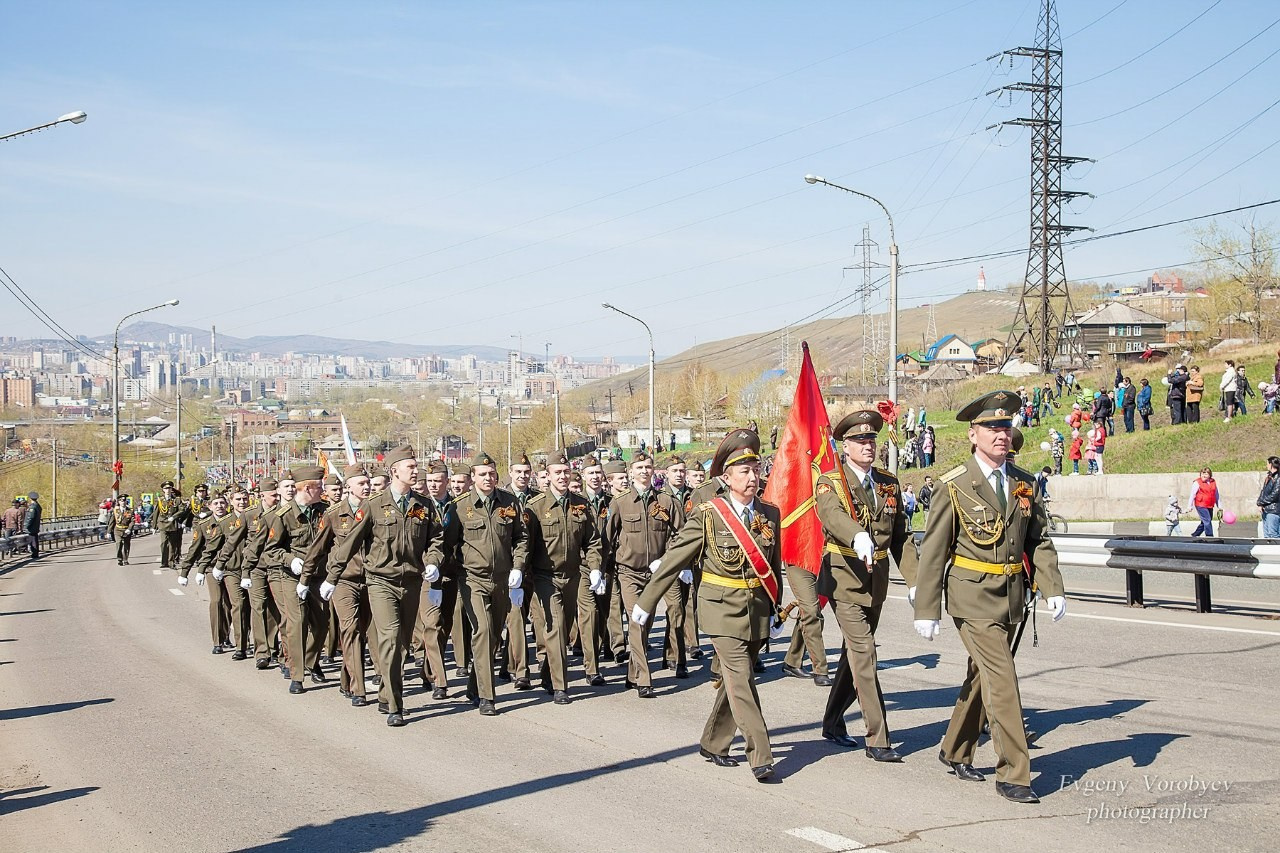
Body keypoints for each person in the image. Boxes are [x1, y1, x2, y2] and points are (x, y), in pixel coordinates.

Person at [913, 390, 1067, 804]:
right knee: (1002, 680)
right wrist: (926, 608)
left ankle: (955, 748)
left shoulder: (1024, 483)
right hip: (972, 597)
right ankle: (1015, 773)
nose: (1002, 433)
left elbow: (1039, 540)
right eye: (993, 427)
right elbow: (934, 551)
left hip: (1012, 595)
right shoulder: (954, 485)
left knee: (982, 676)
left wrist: (1052, 587)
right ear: (973, 434)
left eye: (1006, 426)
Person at [634, 429, 787, 782]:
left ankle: (714, 743)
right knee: (743, 679)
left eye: (755, 470)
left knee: (736, 682)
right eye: (744, 472)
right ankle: (760, 755)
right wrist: (647, 601)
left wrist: (777, 608)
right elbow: (674, 559)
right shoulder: (709, 515)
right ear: (726, 477)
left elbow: (772, 566)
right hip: (720, 610)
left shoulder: (770, 513)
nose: (752, 477)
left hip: (756, 609)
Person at [817, 409, 916, 763]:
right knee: (865, 653)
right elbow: (831, 514)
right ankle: (878, 737)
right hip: (845, 575)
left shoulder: (888, 483)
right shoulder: (831, 481)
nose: (868, 446)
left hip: (877, 580)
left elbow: (902, 537)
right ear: (845, 446)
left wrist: (916, 581)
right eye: (860, 440)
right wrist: (857, 534)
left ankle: (831, 721)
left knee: (854, 655)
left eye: (871, 439)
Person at [327, 447, 446, 726]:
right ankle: (396, 704)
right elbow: (350, 544)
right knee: (390, 638)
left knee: (402, 644)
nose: (416, 471)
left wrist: (433, 560)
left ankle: (384, 692)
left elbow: (436, 539)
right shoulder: (373, 504)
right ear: (394, 471)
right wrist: (332, 578)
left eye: (416, 467)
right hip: (381, 581)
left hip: (413, 582)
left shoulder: (424, 505)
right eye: (410, 467)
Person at [445, 451, 529, 715]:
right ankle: (486, 696)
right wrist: (450, 575)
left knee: (492, 637)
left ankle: (474, 685)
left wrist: (518, 566)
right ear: (472, 478)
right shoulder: (459, 507)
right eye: (482, 474)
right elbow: (447, 544)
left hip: (503, 580)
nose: (488, 478)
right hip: (473, 580)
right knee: (481, 631)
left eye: (492, 473)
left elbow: (521, 538)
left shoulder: (510, 502)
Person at [523, 453, 605, 705]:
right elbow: (525, 544)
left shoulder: (580, 504)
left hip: (572, 576)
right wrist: (520, 576)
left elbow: (593, 541)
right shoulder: (535, 507)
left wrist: (594, 568)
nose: (562, 476)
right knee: (556, 627)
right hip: (544, 576)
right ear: (547, 475)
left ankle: (548, 675)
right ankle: (561, 686)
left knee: (563, 627)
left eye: (565, 472)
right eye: (557, 472)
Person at [606, 451, 686, 697]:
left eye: (648, 467)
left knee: (646, 623)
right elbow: (608, 538)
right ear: (631, 472)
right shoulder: (619, 502)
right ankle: (644, 679)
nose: (643, 471)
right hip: (629, 572)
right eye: (639, 467)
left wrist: (665, 559)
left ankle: (632, 674)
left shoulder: (666, 501)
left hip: (657, 574)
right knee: (637, 621)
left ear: (654, 471)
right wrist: (604, 572)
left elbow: (679, 535)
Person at [301, 463, 373, 706]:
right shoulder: (333, 514)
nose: (367, 486)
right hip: (343, 580)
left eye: (368, 482)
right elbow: (317, 548)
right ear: (348, 487)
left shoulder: (375, 510)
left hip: (372, 580)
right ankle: (358, 689)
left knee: (365, 633)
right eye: (361, 483)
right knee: (350, 630)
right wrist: (305, 579)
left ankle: (346, 678)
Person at [150, 480, 188, 569]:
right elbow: (156, 513)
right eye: (166, 488)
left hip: (172, 524)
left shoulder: (177, 500)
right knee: (164, 543)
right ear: (163, 490)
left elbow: (181, 510)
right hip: (163, 523)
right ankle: (164, 562)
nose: (168, 490)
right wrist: (154, 526)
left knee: (172, 544)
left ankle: (171, 562)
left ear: (171, 489)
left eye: (169, 488)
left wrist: (174, 517)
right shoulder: (160, 500)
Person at [1189, 467, 1221, 538]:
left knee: (1205, 522)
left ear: (1210, 475)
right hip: (1200, 504)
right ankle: (1209, 536)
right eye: (1202, 474)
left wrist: (1219, 505)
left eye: (1206, 474)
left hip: (1209, 504)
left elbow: (1216, 494)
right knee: (1207, 520)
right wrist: (1190, 506)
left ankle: (1195, 534)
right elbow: (1192, 494)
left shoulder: (1213, 482)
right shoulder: (1197, 482)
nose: (1203, 476)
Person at [1258, 456, 1280, 539]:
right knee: (1267, 536)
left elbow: (1275, 494)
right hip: (1266, 509)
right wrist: (1260, 502)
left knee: (1273, 535)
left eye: (1267, 463)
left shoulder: (1278, 478)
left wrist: (1262, 502)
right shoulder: (1269, 477)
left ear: (1271, 464)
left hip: (1274, 510)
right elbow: (1263, 491)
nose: (1266, 465)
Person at [113, 496, 135, 564]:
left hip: (126, 530)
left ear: (126, 501)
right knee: (118, 543)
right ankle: (119, 559)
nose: (123, 502)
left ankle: (125, 559)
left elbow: (132, 521)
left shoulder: (130, 510)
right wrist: (108, 531)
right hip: (118, 530)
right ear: (119, 502)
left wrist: (129, 529)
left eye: (124, 500)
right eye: (121, 501)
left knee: (126, 545)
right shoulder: (115, 510)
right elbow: (112, 521)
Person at [23, 493, 42, 559]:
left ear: (30, 498)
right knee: (34, 540)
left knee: (33, 540)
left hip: (32, 527)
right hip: (36, 526)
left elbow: (30, 517)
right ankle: (35, 553)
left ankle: (34, 553)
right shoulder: (38, 506)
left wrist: (26, 526)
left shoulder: (32, 507)